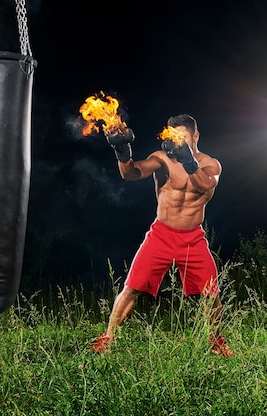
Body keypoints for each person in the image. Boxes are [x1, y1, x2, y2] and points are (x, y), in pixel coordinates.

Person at [92, 114, 234, 357]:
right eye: (174, 137)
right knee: (131, 288)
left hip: (193, 238)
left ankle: (216, 342)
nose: (178, 142)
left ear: (196, 136)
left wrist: (188, 159)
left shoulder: (211, 164)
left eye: (184, 137)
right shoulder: (162, 160)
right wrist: (122, 151)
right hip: (162, 234)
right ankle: (107, 339)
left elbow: (204, 185)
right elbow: (131, 173)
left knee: (211, 293)